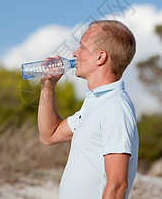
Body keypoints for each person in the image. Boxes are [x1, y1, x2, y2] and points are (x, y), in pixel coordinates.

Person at [38, 20, 139, 199]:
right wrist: (48, 86)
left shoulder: (114, 105)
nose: (75, 53)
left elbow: (117, 185)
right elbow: (49, 135)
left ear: (100, 57)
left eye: (82, 47)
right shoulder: (97, 102)